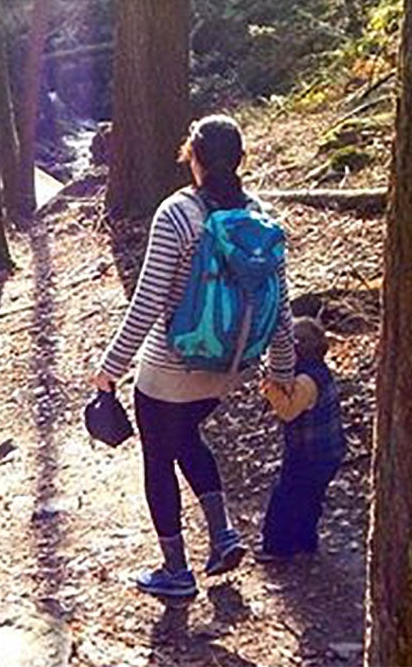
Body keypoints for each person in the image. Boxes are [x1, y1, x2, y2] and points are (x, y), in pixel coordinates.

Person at [92, 115, 296, 600]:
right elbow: (280, 301)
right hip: (230, 367)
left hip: (170, 369)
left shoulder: (177, 214)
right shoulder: (259, 215)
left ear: (193, 157)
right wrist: (282, 369)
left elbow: (147, 303)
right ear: (241, 160)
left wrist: (110, 369)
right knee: (186, 436)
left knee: (158, 458)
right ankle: (223, 535)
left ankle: (175, 572)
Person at [258, 316, 345, 559]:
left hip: (311, 454)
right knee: (309, 498)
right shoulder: (318, 372)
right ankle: (305, 542)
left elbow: (288, 411)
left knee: (286, 496)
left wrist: (270, 387)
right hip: (325, 450)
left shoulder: (307, 380)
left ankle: (278, 547)